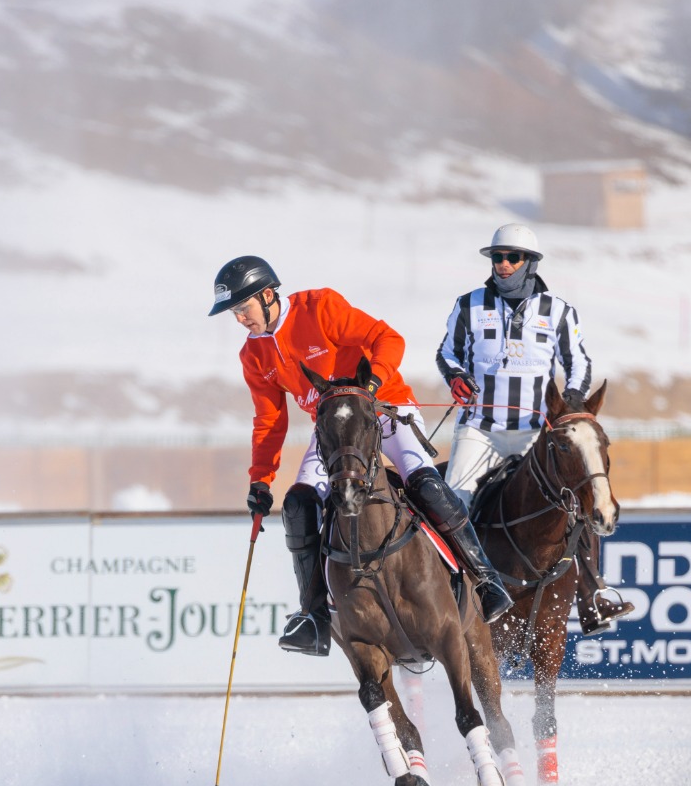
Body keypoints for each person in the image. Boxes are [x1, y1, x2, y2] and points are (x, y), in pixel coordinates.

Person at [211, 255, 514, 657]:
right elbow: (269, 421)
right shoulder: (254, 356)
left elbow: (390, 339)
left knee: (423, 482)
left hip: (386, 410)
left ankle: (485, 580)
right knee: (299, 504)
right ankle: (314, 616)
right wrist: (260, 480)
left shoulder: (320, 308)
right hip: (335, 433)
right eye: (234, 312)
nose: (239, 320)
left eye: (242, 308)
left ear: (267, 296)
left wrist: (371, 384)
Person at [434, 224, 634, 636]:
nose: (503, 264)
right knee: (453, 502)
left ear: (531, 263)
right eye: (497, 257)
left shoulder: (559, 310)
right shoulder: (469, 305)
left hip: (535, 432)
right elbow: (447, 352)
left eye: (512, 257)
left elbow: (577, 363)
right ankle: (452, 593)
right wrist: (454, 377)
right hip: (481, 428)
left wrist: (571, 406)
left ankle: (592, 593)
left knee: (574, 502)